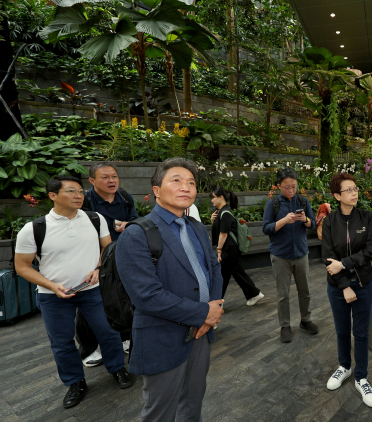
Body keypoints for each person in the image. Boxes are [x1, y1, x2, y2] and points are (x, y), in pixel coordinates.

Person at [115, 157, 224, 421]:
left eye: (191, 183)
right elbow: (146, 296)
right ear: (156, 190)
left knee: (193, 403)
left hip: (201, 334)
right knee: (160, 412)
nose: (186, 187)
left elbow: (214, 270)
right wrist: (203, 313)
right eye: (176, 181)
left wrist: (213, 311)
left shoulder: (196, 226)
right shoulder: (136, 234)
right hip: (163, 336)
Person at [14, 175, 133, 410]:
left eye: (80, 191)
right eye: (71, 191)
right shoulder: (34, 229)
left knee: (108, 332)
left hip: (93, 290)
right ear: (52, 196)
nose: (79, 195)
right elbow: (22, 266)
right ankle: (75, 382)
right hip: (53, 296)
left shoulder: (95, 219)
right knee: (61, 342)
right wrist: (51, 286)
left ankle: (118, 369)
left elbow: (107, 249)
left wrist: (99, 268)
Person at [321, 173, 372, 407]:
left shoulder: (366, 217)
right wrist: (344, 286)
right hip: (337, 288)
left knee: (362, 334)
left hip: (364, 285)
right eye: (348, 190)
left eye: (355, 188)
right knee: (342, 331)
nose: (354, 193)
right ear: (336, 196)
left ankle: (361, 377)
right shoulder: (329, 221)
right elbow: (328, 257)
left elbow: (370, 250)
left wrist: (344, 264)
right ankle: (344, 367)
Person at [78, 162, 139, 367]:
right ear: (92, 180)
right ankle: (89, 348)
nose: (111, 181)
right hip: (93, 259)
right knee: (90, 303)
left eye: (114, 176)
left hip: (121, 256)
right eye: (105, 177)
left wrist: (128, 225)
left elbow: (135, 220)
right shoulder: (84, 201)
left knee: (123, 299)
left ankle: (125, 338)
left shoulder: (124, 197)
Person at [262, 167, 318, 343]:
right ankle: (285, 325)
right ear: (279, 186)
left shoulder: (302, 201)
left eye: (294, 187)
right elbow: (266, 228)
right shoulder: (273, 204)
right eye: (287, 187)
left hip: (301, 253)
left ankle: (306, 320)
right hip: (281, 256)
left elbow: (314, 224)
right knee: (283, 294)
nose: (291, 191)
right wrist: (283, 221)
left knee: (305, 291)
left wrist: (305, 220)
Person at [209, 187, 264, 305]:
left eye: (213, 197)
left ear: (221, 197)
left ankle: (219, 302)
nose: (211, 200)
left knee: (222, 275)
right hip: (231, 249)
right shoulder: (222, 212)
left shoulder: (225, 213)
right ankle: (254, 294)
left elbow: (223, 234)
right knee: (237, 273)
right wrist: (213, 221)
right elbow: (219, 230)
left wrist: (219, 251)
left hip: (229, 249)